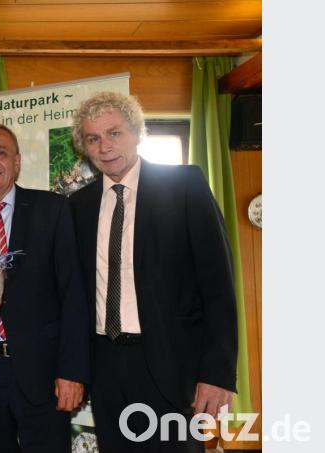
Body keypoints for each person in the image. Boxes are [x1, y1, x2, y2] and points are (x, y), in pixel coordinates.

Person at [68, 91, 238, 452]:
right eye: (93, 138)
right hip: (106, 365)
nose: (105, 146)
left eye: (114, 133)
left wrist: (218, 374)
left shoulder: (184, 186)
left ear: (137, 132)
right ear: (84, 147)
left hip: (173, 364)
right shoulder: (78, 206)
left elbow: (218, 287)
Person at [0, 124, 90, 453]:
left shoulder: (52, 210)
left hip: (44, 373)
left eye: (1, 152)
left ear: (17, 162)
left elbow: (74, 295)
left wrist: (72, 371)